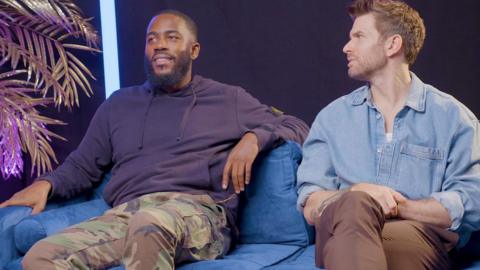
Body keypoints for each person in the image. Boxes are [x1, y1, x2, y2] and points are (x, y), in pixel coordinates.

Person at [0, 10, 308, 270]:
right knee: (42, 256)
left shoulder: (228, 99)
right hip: (126, 214)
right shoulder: (119, 104)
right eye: (152, 39)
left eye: (171, 37)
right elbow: (83, 165)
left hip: (199, 214)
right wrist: (47, 185)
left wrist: (254, 138)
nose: (159, 45)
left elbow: (295, 126)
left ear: (194, 50)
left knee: (150, 223)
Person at [296, 0, 480, 269]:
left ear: (392, 45)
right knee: (355, 203)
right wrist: (357, 195)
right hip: (340, 227)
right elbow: (311, 204)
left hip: (416, 237)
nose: (346, 47)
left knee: (355, 244)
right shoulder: (331, 119)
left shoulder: (452, 118)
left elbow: (473, 200)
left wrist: (397, 206)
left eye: (358, 36)